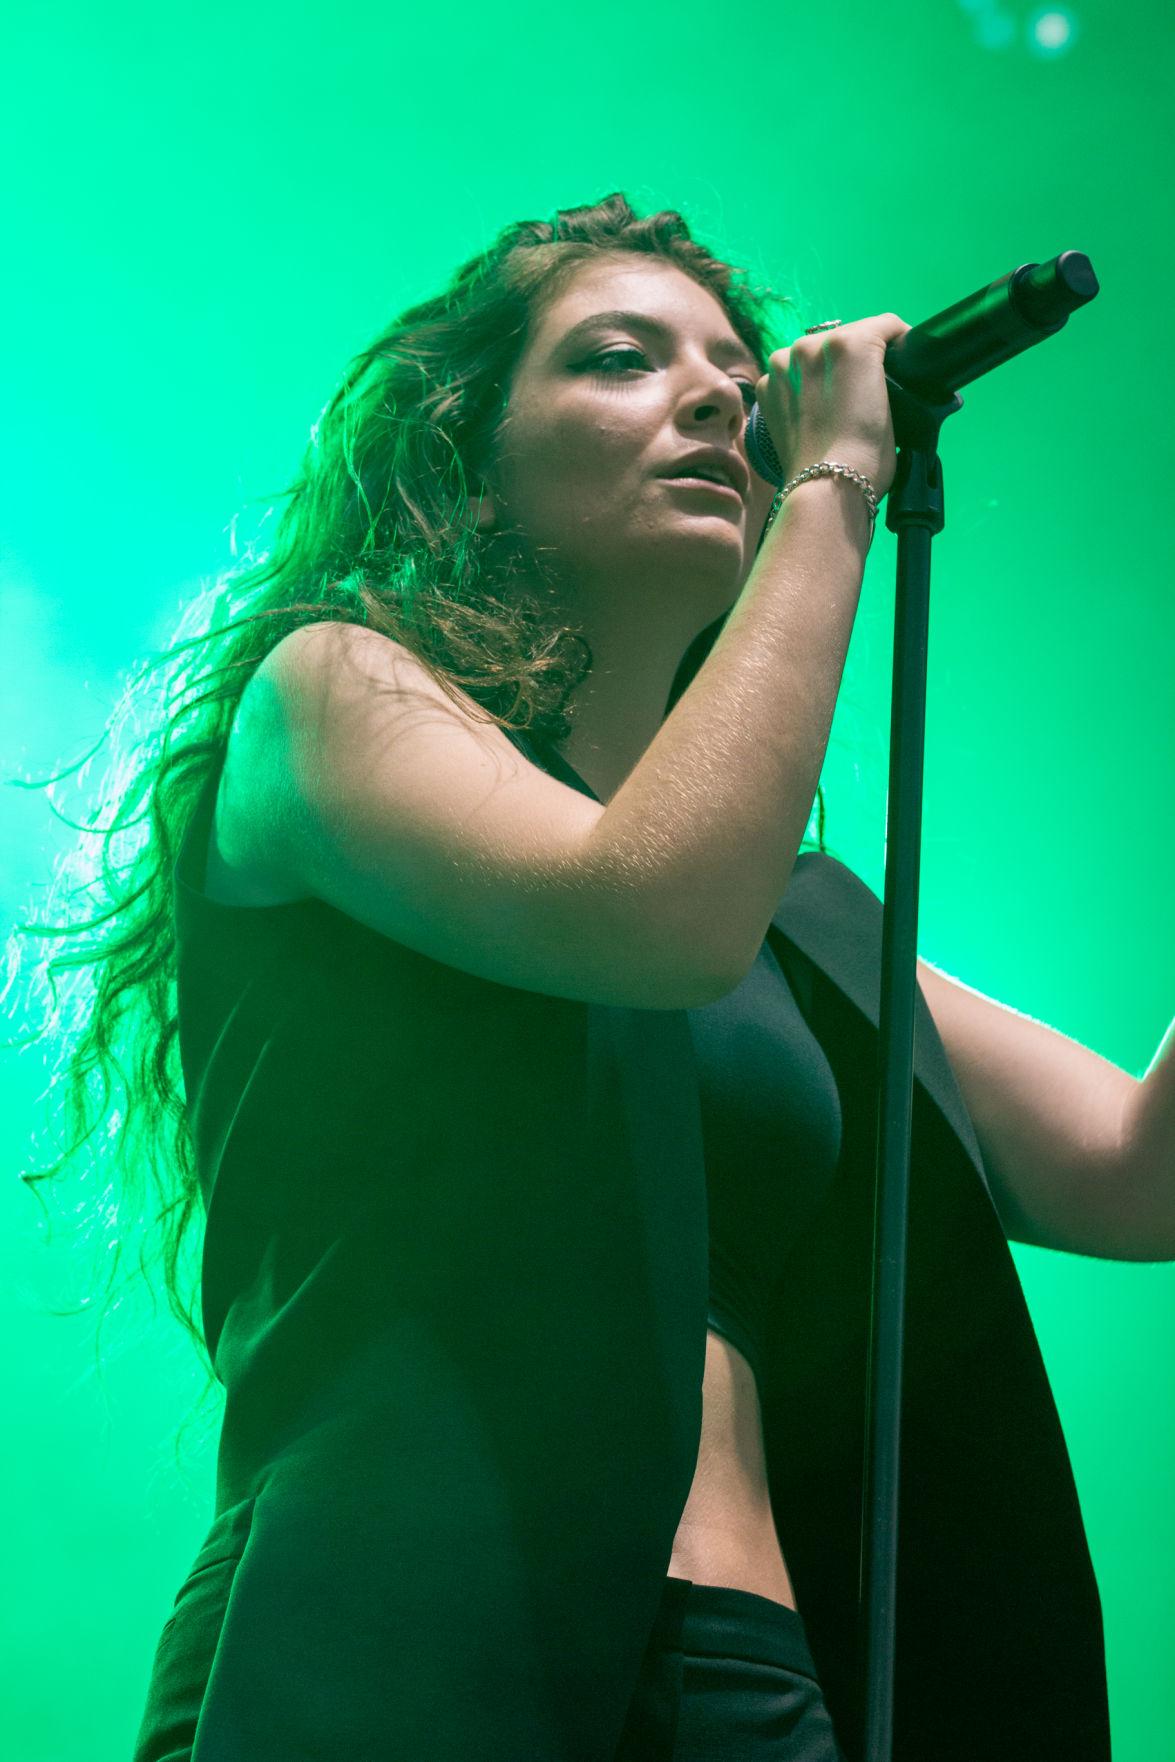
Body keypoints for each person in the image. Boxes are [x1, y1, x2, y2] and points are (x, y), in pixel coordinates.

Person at [124, 194, 1113, 1761]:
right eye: (620, 359)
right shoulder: (331, 693)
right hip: (400, 1648)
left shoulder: (795, 917)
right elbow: (645, 911)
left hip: (749, 1678)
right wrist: (841, 478)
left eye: (736, 367)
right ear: (467, 450)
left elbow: (1145, 1174)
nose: (721, 394)